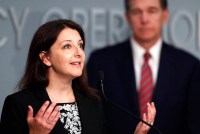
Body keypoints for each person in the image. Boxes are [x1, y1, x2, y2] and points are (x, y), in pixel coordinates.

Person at [0, 19, 156, 134]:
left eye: (80, 45)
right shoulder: (19, 104)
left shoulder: (93, 102)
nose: (78, 53)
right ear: (46, 58)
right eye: (67, 46)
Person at [87, 0, 200, 134]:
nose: (144, 19)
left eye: (152, 11)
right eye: (136, 11)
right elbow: (91, 121)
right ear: (127, 17)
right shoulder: (100, 61)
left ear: (165, 15)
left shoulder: (189, 66)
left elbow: (195, 127)